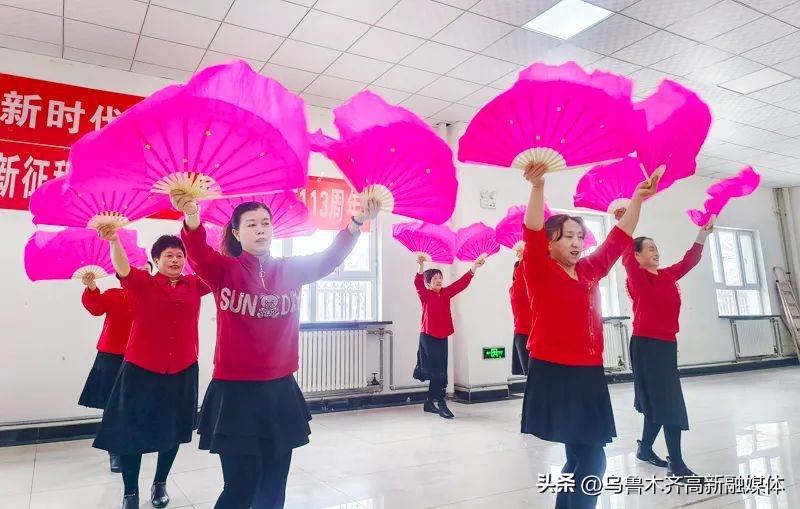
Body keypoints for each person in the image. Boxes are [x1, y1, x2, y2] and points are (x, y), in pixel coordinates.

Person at [171, 190, 380, 509]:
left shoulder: (290, 269)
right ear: (237, 233)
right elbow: (197, 252)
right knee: (241, 485)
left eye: (265, 223)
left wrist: (357, 222)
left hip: (280, 392)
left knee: (273, 486)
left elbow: (329, 258)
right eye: (252, 224)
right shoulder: (223, 270)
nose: (261, 229)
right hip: (235, 393)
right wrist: (191, 215)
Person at [520, 161, 658, 509]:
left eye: (580, 236)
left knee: (579, 458)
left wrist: (638, 199)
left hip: (587, 372)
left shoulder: (587, 271)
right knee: (593, 460)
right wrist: (538, 188)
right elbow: (532, 230)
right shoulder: (538, 268)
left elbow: (618, 240)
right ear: (550, 243)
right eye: (568, 236)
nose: (577, 242)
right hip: (555, 371)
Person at [93, 227, 210, 509]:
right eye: (168, 255)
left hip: (182, 370)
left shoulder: (195, 285)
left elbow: (215, 266)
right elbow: (123, 269)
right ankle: (130, 492)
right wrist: (114, 240)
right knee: (130, 433)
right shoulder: (143, 283)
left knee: (173, 431)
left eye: (179, 255)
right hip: (141, 369)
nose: (175, 260)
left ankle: (160, 483)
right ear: (156, 260)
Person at [621, 218, 714, 480]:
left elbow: (688, 262)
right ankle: (677, 463)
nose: (656, 251)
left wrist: (701, 236)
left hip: (666, 345)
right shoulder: (637, 278)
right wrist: (625, 226)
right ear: (637, 255)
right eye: (649, 248)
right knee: (668, 403)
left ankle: (644, 449)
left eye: (656, 247)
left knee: (657, 402)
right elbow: (626, 257)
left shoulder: (666, 275)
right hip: (646, 346)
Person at [413, 254, 485, 419]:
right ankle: (441, 403)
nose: (438, 280)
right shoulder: (425, 295)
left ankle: (429, 402)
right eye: (435, 278)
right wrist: (421, 265)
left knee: (439, 370)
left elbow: (461, 284)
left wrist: (474, 267)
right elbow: (417, 283)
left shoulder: (445, 293)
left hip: (442, 335)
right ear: (428, 282)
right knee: (437, 371)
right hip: (428, 336)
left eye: (440, 277)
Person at [78, 272, 134, 473]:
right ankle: (114, 451)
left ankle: (131, 444)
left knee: (134, 404)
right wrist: (92, 287)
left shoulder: (151, 297)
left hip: (140, 357)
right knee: (112, 406)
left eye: (147, 269)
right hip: (111, 356)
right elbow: (95, 307)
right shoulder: (114, 294)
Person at [509, 246, 530, 376]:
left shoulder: (535, 289)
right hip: (524, 335)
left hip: (537, 334)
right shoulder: (514, 290)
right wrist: (523, 260)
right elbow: (520, 284)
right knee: (532, 376)